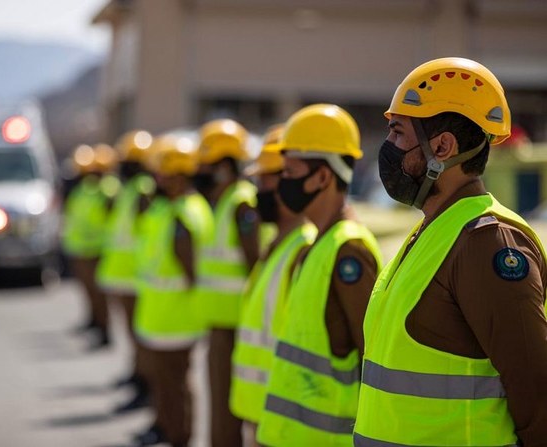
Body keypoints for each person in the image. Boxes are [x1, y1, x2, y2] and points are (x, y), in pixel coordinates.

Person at [353, 57, 547, 446]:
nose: (388, 148)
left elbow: (535, 392)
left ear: (442, 146)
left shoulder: (488, 242)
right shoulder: (433, 229)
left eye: (397, 133)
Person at [256, 104, 382, 446]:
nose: (281, 183)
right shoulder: (318, 243)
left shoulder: (348, 251)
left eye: (289, 171)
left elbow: (372, 358)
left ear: (323, 177)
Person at [229, 124, 317, 447]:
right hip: (259, 407)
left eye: (265, 180)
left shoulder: (303, 249)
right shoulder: (278, 244)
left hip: (280, 412)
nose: (259, 190)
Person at [132, 133, 213, 447]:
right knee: (164, 380)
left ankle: (179, 436)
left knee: (174, 381)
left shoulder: (184, 213)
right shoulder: (171, 207)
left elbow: (190, 268)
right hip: (161, 313)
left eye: (164, 174)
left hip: (176, 316)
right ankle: (164, 427)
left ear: (180, 175)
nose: (158, 180)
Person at [195, 118, 260, 447]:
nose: (200, 172)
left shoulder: (241, 204)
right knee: (221, 409)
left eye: (206, 165)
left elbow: (253, 266)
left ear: (223, 167)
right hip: (222, 322)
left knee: (226, 414)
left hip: (235, 325)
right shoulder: (225, 202)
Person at [94, 130, 156, 410]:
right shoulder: (132, 188)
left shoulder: (143, 190)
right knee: (134, 336)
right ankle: (138, 375)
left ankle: (145, 384)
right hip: (127, 274)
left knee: (140, 337)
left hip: (136, 275)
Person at [60, 143, 119, 349]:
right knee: (89, 291)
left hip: (97, 249)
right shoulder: (83, 189)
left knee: (99, 293)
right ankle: (94, 321)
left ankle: (104, 329)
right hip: (81, 248)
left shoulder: (107, 188)